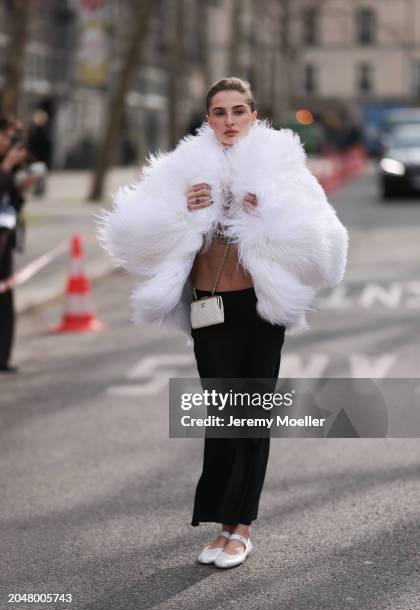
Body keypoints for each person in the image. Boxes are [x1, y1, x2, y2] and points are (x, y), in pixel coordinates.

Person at [98, 77, 348, 569]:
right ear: (207, 118)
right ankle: (222, 522)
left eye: (238, 111)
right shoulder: (183, 167)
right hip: (208, 306)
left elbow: (326, 242)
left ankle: (243, 526)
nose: (229, 121)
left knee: (251, 415)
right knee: (222, 414)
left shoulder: (282, 165)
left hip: (257, 308)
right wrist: (179, 210)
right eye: (219, 112)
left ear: (254, 114)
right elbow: (132, 232)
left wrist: (270, 215)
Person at [0, 116, 26, 372]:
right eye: (8, 137)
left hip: (5, 237)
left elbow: (13, 203)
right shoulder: (4, 166)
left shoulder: (8, 165)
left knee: (5, 299)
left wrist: (21, 186)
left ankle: (2, 358)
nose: (11, 143)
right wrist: (6, 169)